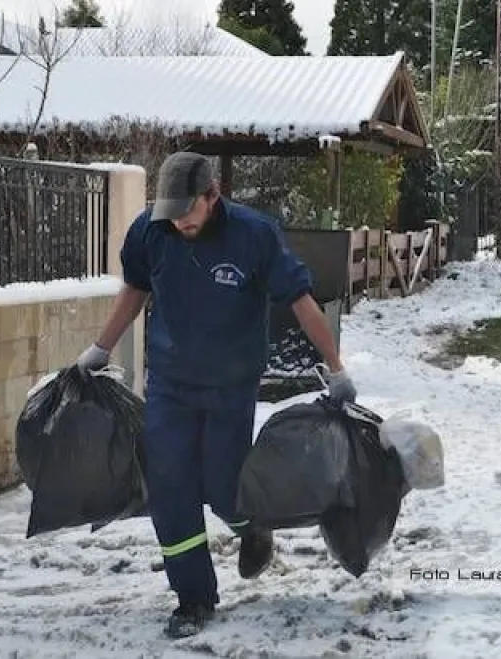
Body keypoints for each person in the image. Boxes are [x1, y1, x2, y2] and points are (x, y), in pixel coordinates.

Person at [74, 151, 357, 639]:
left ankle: (250, 525)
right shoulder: (150, 231)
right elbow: (135, 291)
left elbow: (303, 303)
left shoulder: (254, 235)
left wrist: (336, 368)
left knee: (224, 486)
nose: (180, 221)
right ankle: (194, 597)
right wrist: (100, 348)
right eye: (173, 213)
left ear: (213, 196)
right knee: (169, 487)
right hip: (170, 382)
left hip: (230, 383)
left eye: (189, 211)